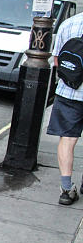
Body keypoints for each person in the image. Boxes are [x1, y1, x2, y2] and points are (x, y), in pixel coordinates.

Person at [46, 11, 83, 205]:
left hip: (69, 92)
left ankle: (66, 190)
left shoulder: (69, 24)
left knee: (67, 140)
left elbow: (57, 61)